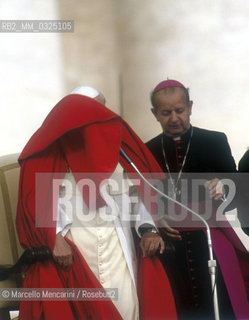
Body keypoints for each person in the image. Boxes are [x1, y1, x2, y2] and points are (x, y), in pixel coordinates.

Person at [16, 86, 177, 320]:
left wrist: (149, 229)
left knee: (126, 306)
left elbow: (139, 192)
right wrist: (56, 237)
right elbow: (38, 201)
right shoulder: (50, 151)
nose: (103, 116)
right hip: (76, 246)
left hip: (117, 244)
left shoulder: (119, 146)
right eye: (95, 110)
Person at [146, 79, 249, 319]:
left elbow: (238, 190)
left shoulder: (214, 141)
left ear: (190, 107)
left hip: (211, 239)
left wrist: (224, 186)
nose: (174, 118)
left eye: (179, 110)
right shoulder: (148, 149)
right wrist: (156, 217)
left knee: (220, 306)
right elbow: (143, 197)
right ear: (155, 114)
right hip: (170, 245)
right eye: (166, 112)